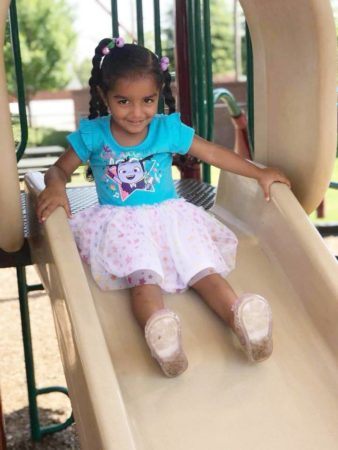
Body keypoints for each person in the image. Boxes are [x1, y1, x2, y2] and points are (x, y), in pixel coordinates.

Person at [36, 38, 291, 377]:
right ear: (103, 96)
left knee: (203, 267)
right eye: (123, 101)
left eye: (147, 101)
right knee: (143, 276)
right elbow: (59, 169)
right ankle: (161, 334)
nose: (136, 112)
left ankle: (242, 318)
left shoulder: (166, 130)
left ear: (158, 96)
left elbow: (213, 153)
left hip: (171, 216)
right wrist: (55, 186)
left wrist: (258, 172)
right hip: (122, 224)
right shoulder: (94, 134)